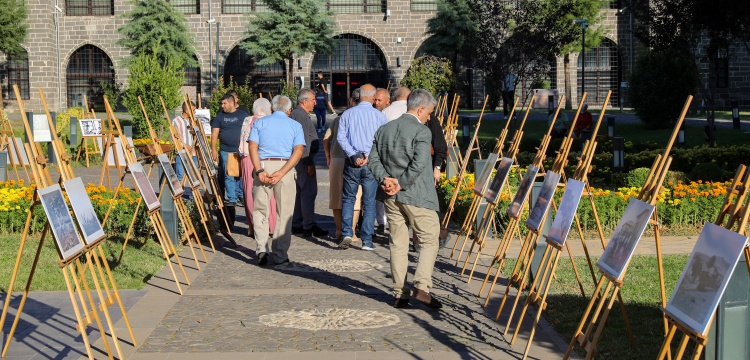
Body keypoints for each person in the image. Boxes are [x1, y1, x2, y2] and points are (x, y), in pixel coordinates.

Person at [368, 89, 442, 309]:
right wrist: (400, 183)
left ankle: (400, 293)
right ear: (420, 109)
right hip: (417, 194)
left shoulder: (384, 129)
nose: (429, 117)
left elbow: (373, 158)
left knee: (397, 243)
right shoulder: (422, 131)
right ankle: (422, 286)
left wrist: (385, 179)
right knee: (429, 239)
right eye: (429, 112)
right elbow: (419, 164)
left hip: (390, 196)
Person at [247, 95, 305, 266]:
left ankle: (262, 248)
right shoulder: (295, 125)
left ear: (271, 109)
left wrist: (259, 170)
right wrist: (282, 172)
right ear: (289, 110)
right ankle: (280, 253)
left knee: (260, 210)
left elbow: (252, 146)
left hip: (263, 165)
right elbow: (299, 151)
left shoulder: (260, 123)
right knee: (284, 213)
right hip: (284, 168)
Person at [336, 84, 387, 251]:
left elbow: (341, 138)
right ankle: (367, 240)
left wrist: (353, 155)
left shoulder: (347, 114)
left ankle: (346, 233)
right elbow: (382, 141)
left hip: (352, 163)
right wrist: (367, 156)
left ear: (358, 95)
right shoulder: (380, 116)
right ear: (373, 98)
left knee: (348, 198)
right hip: (370, 163)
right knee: (369, 201)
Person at [324, 92, 364, 243]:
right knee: (355, 196)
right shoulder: (362, 120)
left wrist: (328, 156)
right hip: (355, 160)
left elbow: (326, 139)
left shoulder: (338, 119)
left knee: (336, 195)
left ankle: (339, 229)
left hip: (336, 159)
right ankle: (352, 231)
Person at [291, 88, 329, 237]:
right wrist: (308, 162)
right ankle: (307, 224)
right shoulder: (299, 115)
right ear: (304, 101)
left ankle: (299, 223)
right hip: (303, 160)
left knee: (301, 193)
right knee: (308, 192)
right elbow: (303, 141)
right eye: (313, 100)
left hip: (303, 159)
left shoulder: (300, 114)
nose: (316, 102)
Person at [239, 98, 276, 238]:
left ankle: (253, 226)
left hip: (247, 158)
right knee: (269, 191)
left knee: (249, 192)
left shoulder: (247, 120)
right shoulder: (270, 121)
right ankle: (271, 225)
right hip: (264, 158)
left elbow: (242, 141)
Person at [212, 94, 249, 209]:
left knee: (241, 174)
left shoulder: (243, 115)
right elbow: (214, 134)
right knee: (229, 174)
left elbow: (248, 130)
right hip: (226, 150)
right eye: (221, 103)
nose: (222, 106)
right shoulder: (220, 117)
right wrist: (213, 149)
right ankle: (232, 198)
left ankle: (241, 195)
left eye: (224, 103)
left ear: (232, 103)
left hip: (240, 150)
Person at [172, 101, 198, 199]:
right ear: (186, 110)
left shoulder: (194, 121)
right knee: (180, 174)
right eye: (193, 110)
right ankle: (178, 196)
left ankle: (194, 196)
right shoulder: (177, 121)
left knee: (194, 175)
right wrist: (184, 145)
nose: (194, 112)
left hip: (193, 153)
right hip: (181, 152)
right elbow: (174, 137)